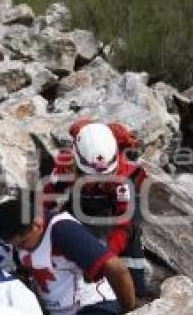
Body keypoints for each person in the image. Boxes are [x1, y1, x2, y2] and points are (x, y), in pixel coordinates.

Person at [0, 194, 136, 315]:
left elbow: (117, 269)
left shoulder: (62, 231)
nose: (20, 248)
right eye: (15, 245)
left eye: (23, 242)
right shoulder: (23, 238)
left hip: (96, 309)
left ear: (37, 224)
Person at [41, 119, 148, 295]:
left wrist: (105, 257)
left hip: (115, 208)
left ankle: (137, 293)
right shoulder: (66, 165)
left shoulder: (126, 177)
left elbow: (125, 225)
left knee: (132, 240)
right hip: (81, 206)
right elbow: (47, 197)